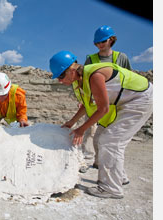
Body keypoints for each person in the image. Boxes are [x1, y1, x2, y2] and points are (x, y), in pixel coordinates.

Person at [49, 51, 152, 199]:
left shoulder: (94, 76)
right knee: (102, 138)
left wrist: (81, 129)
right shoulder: (80, 81)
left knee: (111, 141)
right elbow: (86, 104)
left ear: (71, 71)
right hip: (128, 102)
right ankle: (120, 177)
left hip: (141, 99)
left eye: (60, 76)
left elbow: (103, 109)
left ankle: (111, 188)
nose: (59, 80)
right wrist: (72, 122)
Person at [78, 25, 132, 174]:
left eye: (103, 41)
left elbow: (128, 79)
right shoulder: (91, 59)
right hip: (95, 101)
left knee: (109, 134)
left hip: (115, 102)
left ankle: (101, 161)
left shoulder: (121, 58)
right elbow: (86, 80)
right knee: (89, 130)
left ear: (111, 40)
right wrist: (84, 99)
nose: (100, 45)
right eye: (97, 43)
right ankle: (86, 160)